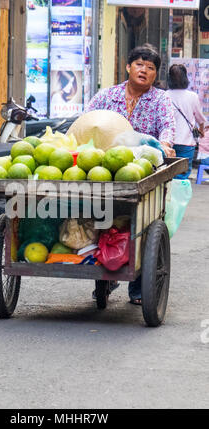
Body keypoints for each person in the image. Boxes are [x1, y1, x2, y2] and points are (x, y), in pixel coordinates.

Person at [87, 44, 176, 305]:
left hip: (141, 174)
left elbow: (167, 128)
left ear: (154, 75)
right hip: (104, 169)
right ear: (128, 67)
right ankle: (104, 278)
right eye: (139, 65)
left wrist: (167, 144)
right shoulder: (107, 96)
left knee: (142, 225)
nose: (144, 71)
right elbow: (87, 120)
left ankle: (138, 287)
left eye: (150, 68)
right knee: (100, 220)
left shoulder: (161, 100)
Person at [166, 64, 205, 179]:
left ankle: (169, 196)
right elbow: (200, 119)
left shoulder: (165, 95)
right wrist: (201, 131)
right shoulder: (192, 96)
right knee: (182, 176)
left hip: (168, 142)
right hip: (187, 143)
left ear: (170, 78)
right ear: (185, 78)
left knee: (167, 175)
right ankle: (180, 196)